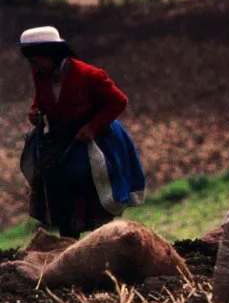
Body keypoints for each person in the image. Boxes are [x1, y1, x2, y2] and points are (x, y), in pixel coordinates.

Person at [19, 26, 145, 239]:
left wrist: (92, 127)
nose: (34, 67)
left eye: (36, 60)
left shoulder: (89, 75)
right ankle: (66, 234)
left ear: (51, 55)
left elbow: (119, 101)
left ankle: (99, 236)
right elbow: (39, 99)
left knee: (81, 176)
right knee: (46, 173)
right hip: (61, 136)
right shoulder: (40, 74)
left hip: (92, 136)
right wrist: (35, 111)